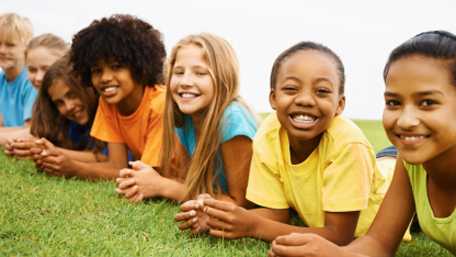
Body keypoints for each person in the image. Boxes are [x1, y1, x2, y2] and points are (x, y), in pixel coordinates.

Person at [268, 31, 456, 257]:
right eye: (393, 102)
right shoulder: (411, 163)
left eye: (427, 102)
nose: (405, 121)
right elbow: (377, 243)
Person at [201, 41, 387, 244]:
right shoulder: (269, 134)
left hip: (392, 180)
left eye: (322, 91)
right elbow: (277, 214)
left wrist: (253, 226)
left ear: (339, 105)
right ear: (273, 98)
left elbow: (339, 236)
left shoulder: (348, 146)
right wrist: (218, 218)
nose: (305, 100)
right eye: (291, 89)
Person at [117, 33, 257, 230]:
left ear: (224, 78)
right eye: (179, 72)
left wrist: (161, 186)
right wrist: (145, 179)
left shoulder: (232, 119)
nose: (185, 81)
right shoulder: (186, 118)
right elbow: (186, 182)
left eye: (200, 73)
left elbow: (242, 203)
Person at [69, 14, 166, 177]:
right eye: (97, 70)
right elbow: (117, 166)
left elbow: (149, 176)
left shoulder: (160, 103)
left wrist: (74, 168)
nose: (105, 78)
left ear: (139, 67)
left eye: (116, 67)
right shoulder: (108, 103)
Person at [5, 56, 107, 178]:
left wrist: (50, 151)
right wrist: (33, 149)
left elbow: (103, 157)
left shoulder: (106, 111)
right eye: (59, 102)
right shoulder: (70, 123)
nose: (68, 106)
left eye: (72, 95)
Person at [0, 33, 68, 144]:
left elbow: (34, 136)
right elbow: (34, 132)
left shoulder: (74, 100)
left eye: (46, 69)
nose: (38, 78)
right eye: (32, 70)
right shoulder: (43, 101)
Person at [0, 13, 36, 128]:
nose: (2, 50)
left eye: (10, 45)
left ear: (26, 48)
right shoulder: (1, 80)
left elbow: (28, 132)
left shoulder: (32, 82)